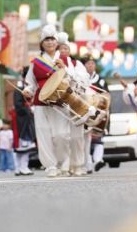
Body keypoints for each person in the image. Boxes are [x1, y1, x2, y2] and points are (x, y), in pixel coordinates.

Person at [23, 25, 73, 178]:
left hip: (60, 101)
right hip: (41, 102)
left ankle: (62, 161)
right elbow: (30, 82)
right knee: (44, 134)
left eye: (52, 39)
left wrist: (65, 69)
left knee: (61, 135)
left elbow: (75, 80)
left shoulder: (65, 60)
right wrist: (28, 91)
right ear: (42, 43)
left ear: (57, 42)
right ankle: (50, 166)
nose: (50, 42)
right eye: (47, 39)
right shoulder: (36, 62)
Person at [56, 31, 89, 176]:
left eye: (66, 48)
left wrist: (67, 70)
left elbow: (84, 80)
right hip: (59, 104)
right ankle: (63, 164)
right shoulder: (53, 63)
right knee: (62, 136)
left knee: (77, 136)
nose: (63, 51)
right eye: (61, 48)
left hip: (76, 101)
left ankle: (78, 165)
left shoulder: (76, 64)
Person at [83, 57, 108, 173]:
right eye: (88, 63)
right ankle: (87, 164)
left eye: (92, 63)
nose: (90, 66)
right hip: (84, 110)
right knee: (85, 139)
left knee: (98, 138)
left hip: (98, 111)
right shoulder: (80, 79)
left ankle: (98, 160)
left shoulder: (101, 80)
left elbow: (106, 97)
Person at [12, 71, 35, 176]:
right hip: (21, 120)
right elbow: (18, 106)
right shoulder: (19, 89)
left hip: (27, 119)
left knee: (26, 145)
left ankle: (23, 167)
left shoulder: (30, 88)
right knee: (22, 144)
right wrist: (28, 108)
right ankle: (19, 167)